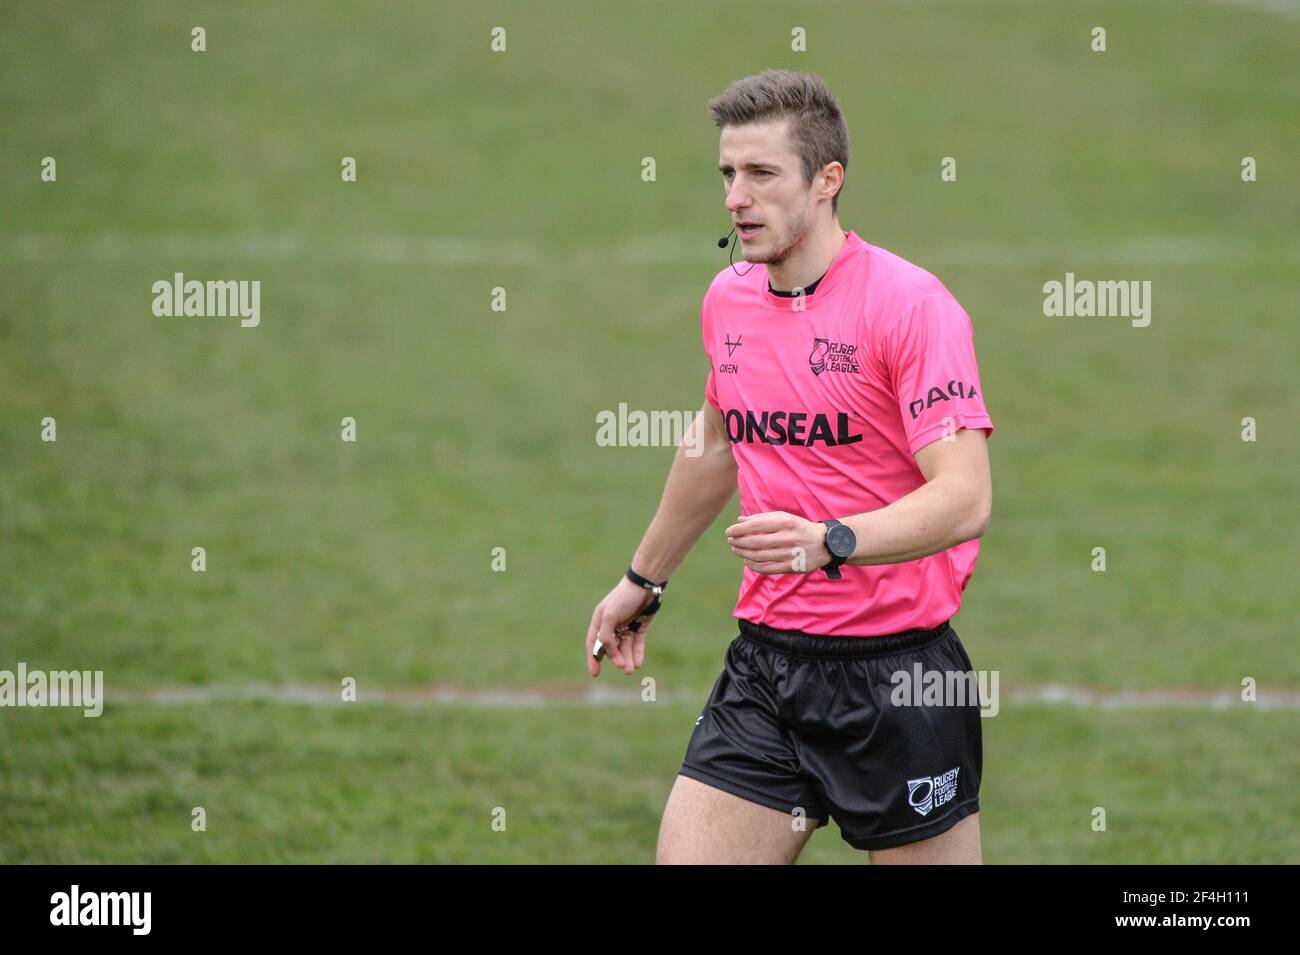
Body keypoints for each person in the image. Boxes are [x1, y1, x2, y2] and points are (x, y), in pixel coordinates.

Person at [585, 69, 994, 864]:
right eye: (728, 174)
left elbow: (965, 496)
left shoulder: (910, 306)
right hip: (769, 665)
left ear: (827, 180)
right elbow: (715, 440)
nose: (736, 196)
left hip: (902, 675)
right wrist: (646, 577)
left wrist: (829, 539)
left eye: (762, 174)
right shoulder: (729, 299)